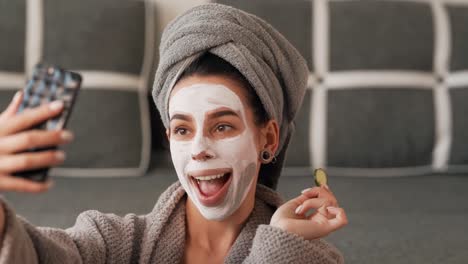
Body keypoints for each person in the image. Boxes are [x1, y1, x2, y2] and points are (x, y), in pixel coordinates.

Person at [0, 3, 347, 263]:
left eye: (222, 125)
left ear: (268, 138)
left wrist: (281, 243)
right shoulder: (112, 241)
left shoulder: (305, 253)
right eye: (182, 129)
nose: (198, 148)